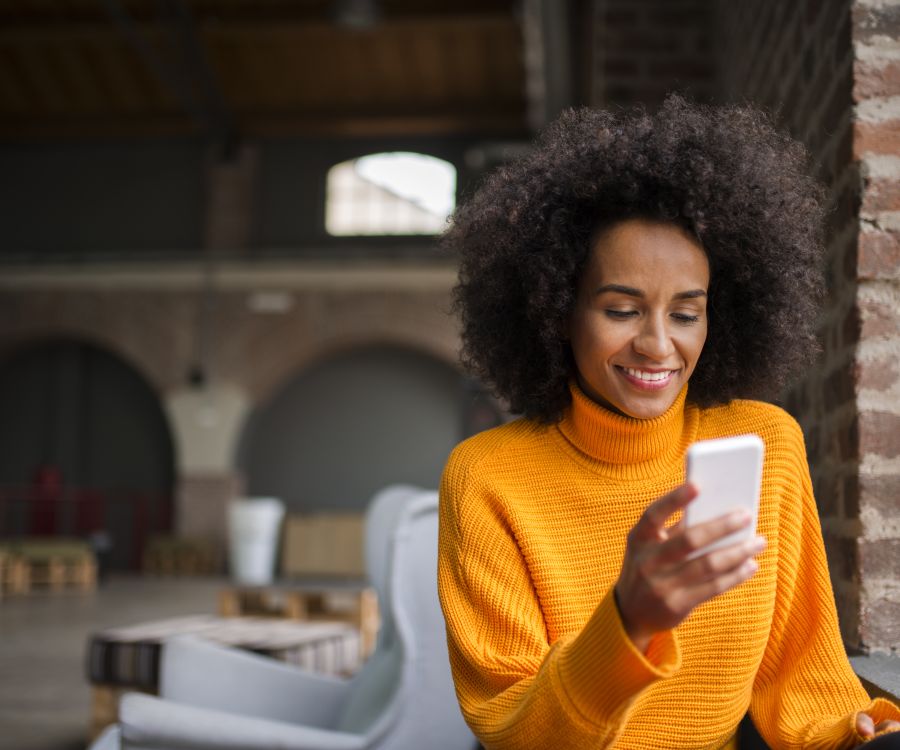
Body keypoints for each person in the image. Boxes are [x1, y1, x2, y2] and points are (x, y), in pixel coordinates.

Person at [437, 96, 900, 750]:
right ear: (556, 310)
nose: (658, 346)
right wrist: (626, 625)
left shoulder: (766, 442)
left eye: (686, 314)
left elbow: (800, 678)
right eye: (623, 310)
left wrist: (855, 732)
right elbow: (513, 730)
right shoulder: (486, 477)